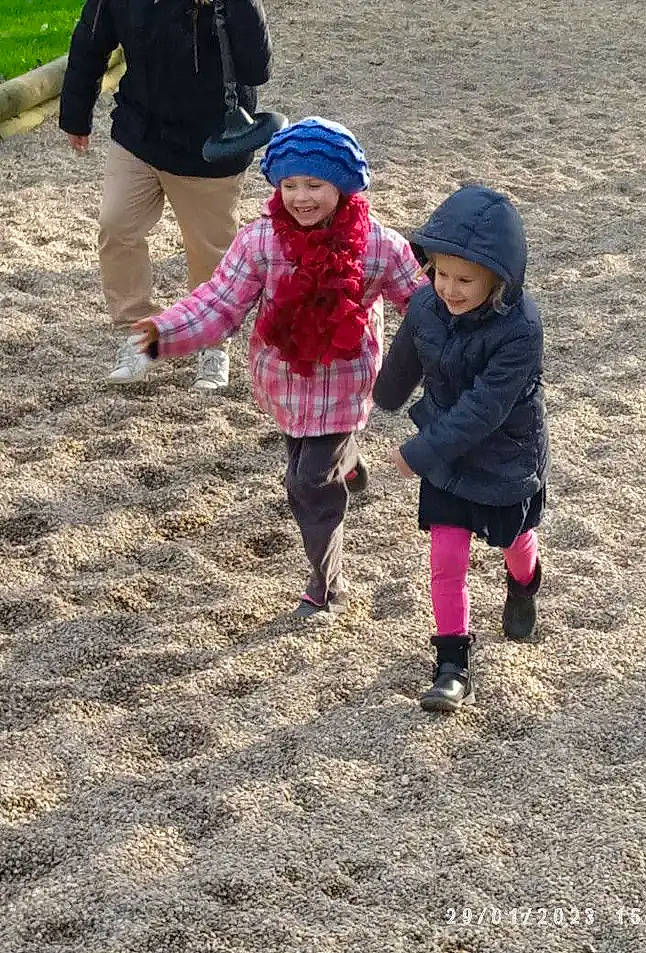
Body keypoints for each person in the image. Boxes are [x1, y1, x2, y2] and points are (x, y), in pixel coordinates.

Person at [131, 117, 427, 616]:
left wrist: (471, 332)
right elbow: (218, 303)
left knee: (308, 482)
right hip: (284, 383)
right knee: (311, 460)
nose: (301, 197)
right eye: (289, 184)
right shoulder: (260, 242)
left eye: (315, 184)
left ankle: (326, 583)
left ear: (344, 184)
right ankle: (348, 463)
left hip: (345, 383)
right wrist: (166, 332)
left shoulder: (380, 245)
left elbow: (422, 307)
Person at [373, 185, 550, 713]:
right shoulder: (428, 302)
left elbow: (484, 409)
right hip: (447, 458)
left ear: (500, 279)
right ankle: (453, 662)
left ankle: (524, 585)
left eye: (465, 279)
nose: (448, 288)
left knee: (515, 542)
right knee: (446, 557)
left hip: (503, 456)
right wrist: (380, 394)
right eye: (440, 273)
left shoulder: (521, 329)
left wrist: (419, 452)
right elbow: (406, 356)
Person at [59, 0, 272, 390]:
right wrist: (76, 113)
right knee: (116, 226)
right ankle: (137, 333)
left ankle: (213, 344)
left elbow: (258, 67)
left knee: (210, 250)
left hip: (210, 142)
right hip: (140, 131)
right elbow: (90, 40)